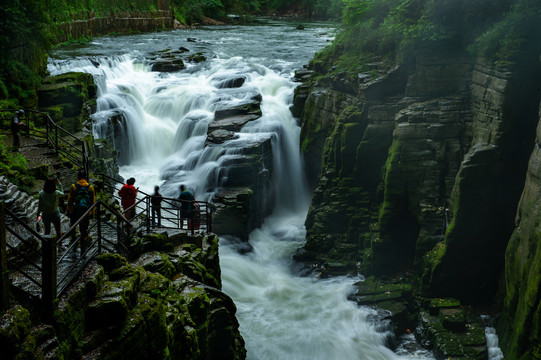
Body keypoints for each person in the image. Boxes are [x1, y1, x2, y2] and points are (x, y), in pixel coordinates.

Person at [67, 170, 95, 248]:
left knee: (73, 225)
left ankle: (74, 242)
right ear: (86, 177)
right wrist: (92, 212)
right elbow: (93, 201)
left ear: (78, 177)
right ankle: (84, 242)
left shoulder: (73, 186)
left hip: (75, 210)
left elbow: (70, 200)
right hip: (85, 211)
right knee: (84, 226)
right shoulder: (90, 187)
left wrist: (69, 210)